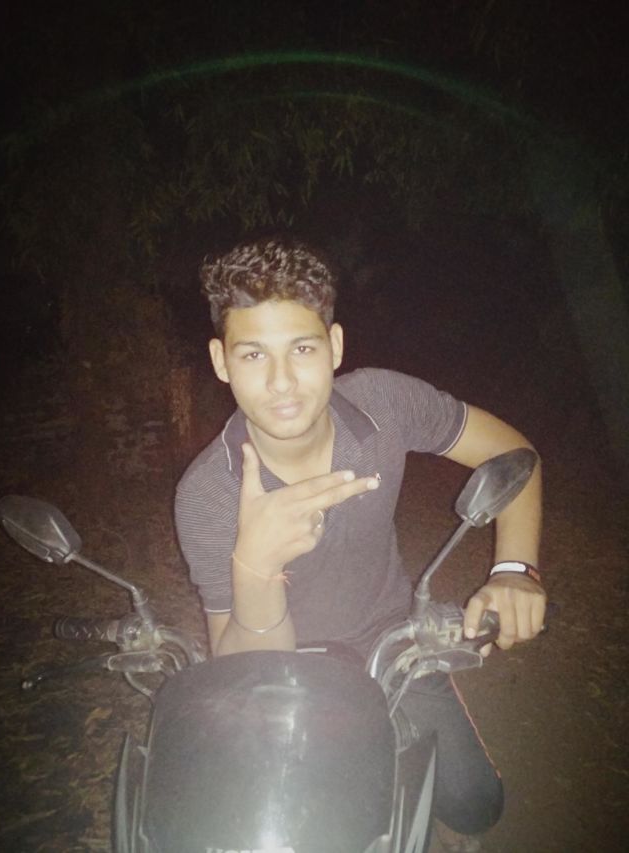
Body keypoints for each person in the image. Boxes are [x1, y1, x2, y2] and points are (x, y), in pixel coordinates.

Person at [175, 235, 546, 851]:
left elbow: (513, 454)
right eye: (253, 354)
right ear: (220, 361)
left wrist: (514, 569)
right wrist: (255, 567)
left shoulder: (384, 403)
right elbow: (239, 669)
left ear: (336, 346)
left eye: (302, 348)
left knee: (476, 806)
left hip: (396, 642)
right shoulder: (208, 496)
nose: (282, 381)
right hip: (290, 678)